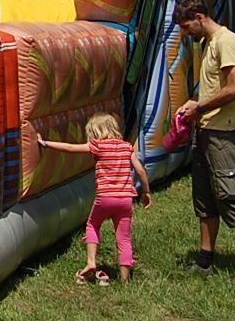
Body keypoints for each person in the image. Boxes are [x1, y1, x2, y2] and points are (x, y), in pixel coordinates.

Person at [174, 0, 235, 283]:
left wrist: (200, 107)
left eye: (186, 27)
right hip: (206, 131)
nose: (185, 34)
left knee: (232, 196)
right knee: (205, 199)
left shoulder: (226, 42)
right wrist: (192, 102)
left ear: (199, 18)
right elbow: (212, 88)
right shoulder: (206, 43)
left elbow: (234, 88)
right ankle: (205, 261)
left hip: (225, 133)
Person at [39, 112, 152, 284]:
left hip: (105, 198)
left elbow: (70, 148)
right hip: (125, 200)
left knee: (92, 225)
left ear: (95, 132)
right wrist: (146, 192)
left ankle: (91, 262)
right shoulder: (126, 147)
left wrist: (46, 143)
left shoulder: (98, 146)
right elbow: (141, 171)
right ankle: (125, 280)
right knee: (124, 237)